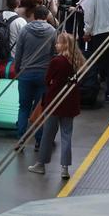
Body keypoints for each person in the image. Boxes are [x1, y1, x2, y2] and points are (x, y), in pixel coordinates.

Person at [27, 32, 84, 180]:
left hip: (54, 103)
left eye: (58, 43)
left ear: (64, 45)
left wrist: (52, 83)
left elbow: (47, 80)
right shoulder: (77, 61)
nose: (56, 45)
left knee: (48, 134)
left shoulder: (57, 61)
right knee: (66, 135)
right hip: (70, 104)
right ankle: (65, 168)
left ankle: (41, 164)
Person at [12, 5, 57, 136]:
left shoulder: (24, 30)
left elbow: (18, 53)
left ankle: (21, 138)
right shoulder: (52, 31)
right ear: (46, 16)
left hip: (25, 74)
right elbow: (54, 53)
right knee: (40, 108)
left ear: (33, 16)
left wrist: (17, 70)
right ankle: (38, 140)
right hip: (44, 74)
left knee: (24, 107)